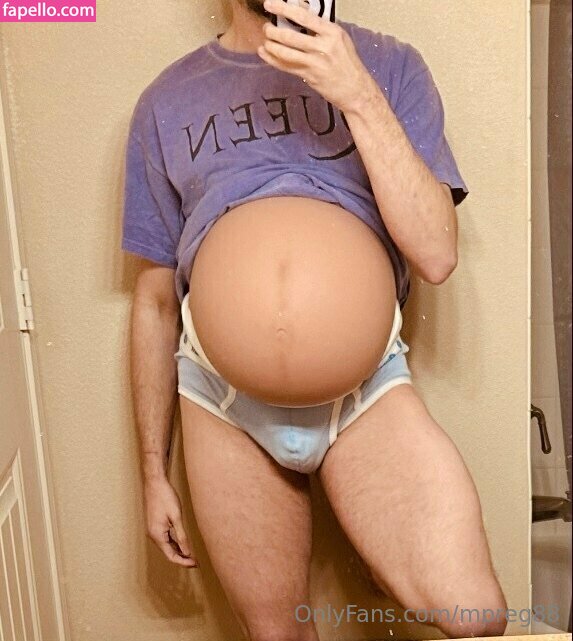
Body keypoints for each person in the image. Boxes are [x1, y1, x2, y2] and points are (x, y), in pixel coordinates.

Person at [121, 1, 508, 639]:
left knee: (475, 613)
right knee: (278, 636)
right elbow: (156, 300)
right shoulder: (164, 101)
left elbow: (437, 255)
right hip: (222, 402)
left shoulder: (390, 65)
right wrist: (152, 474)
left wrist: (357, 92)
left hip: (366, 395)